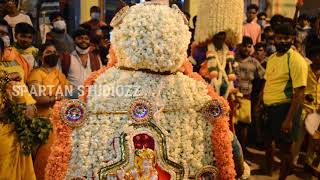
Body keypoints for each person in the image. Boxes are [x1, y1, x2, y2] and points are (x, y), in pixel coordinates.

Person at [262, 23, 308, 179]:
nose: (282, 41)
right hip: (269, 108)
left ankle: (282, 177)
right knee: (268, 142)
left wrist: (288, 120)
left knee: (285, 149)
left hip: (286, 107)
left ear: (292, 39)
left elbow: (300, 93)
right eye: (279, 38)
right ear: (274, 38)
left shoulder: (296, 60)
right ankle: (268, 171)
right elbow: (267, 81)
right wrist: (259, 103)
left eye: (286, 38)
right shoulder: (272, 58)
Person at [28, 42, 69, 180]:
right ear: (41, 56)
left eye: (54, 52)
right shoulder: (36, 73)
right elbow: (39, 97)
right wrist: (58, 97)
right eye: (48, 52)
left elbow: (71, 92)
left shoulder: (59, 74)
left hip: (61, 122)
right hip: (43, 123)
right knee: (44, 159)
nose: (53, 55)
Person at [0, 38, 37, 180]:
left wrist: (28, 106)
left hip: (10, 128)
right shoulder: (8, 75)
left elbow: (22, 97)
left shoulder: (9, 72)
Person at [234, 36, 265, 153]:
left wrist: (261, 94)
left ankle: (242, 150)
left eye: (249, 46)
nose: (246, 48)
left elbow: (264, 77)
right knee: (231, 124)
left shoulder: (254, 62)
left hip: (246, 97)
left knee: (244, 125)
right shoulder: (231, 59)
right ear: (239, 46)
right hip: (231, 97)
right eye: (244, 46)